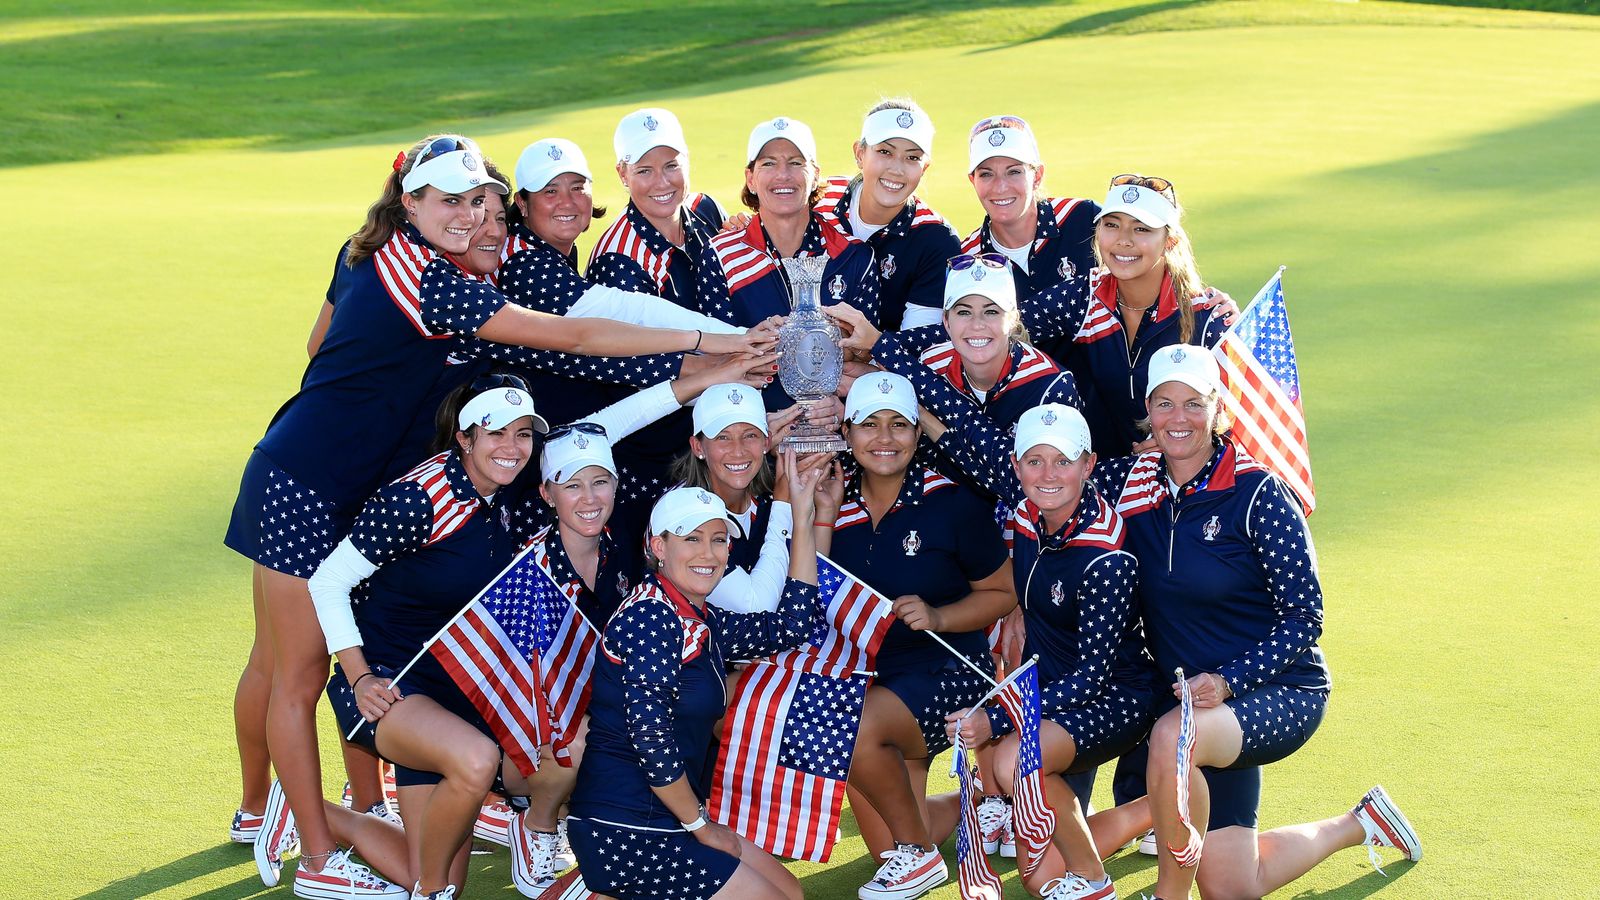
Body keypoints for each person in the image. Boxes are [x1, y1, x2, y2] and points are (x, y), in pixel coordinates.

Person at [225, 133, 774, 895]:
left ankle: (306, 809)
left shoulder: (379, 253)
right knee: (297, 671)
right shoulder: (434, 281)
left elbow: (323, 347)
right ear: (410, 202)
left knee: (308, 653)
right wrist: (716, 338)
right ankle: (314, 855)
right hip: (307, 481)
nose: (473, 216)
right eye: (453, 201)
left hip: (353, 474)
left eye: (481, 201)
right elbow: (574, 334)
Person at [1091, 346, 1421, 900]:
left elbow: (1304, 617)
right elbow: (1046, 487)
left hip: (1278, 688)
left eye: (1193, 404)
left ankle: (1166, 896)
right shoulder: (1130, 484)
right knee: (1232, 891)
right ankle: (1361, 822)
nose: (1178, 418)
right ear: (1148, 410)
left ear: (1217, 407)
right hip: (1198, 702)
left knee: (1176, 737)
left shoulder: (1259, 493)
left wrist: (1227, 683)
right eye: (1165, 403)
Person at [501, 356, 776, 896]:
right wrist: (703, 369)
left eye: (600, 482)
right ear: (546, 493)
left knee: (697, 696)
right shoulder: (526, 565)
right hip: (542, 728)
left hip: (613, 707)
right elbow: (518, 678)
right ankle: (536, 821)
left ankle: (597, 869)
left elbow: (609, 430)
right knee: (574, 743)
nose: (589, 499)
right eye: (572, 485)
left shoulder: (624, 526)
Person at [308, 375, 557, 899]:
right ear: (465, 438)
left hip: (456, 691)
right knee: (476, 761)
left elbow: (607, 434)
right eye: (496, 434)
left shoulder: (507, 489)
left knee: (433, 867)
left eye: (524, 434)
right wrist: (358, 677)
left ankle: (316, 812)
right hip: (391, 686)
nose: (512, 448)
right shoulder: (419, 498)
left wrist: (705, 376)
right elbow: (328, 580)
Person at [916, 401, 1153, 900]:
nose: (1047, 474)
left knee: (1011, 761)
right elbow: (964, 445)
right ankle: (1157, 807)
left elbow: (1092, 677)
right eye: (1034, 460)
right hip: (1048, 690)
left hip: (1115, 696)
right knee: (1040, 878)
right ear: (1018, 465)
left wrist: (996, 717)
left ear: (1088, 465)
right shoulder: (1028, 512)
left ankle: (1093, 882)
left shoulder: (1106, 557)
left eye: (1063, 461)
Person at [565, 472, 826, 900]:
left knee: (789, 893)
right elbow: (651, 739)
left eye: (719, 540)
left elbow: (793, 624)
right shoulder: (652, 617)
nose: (709, 553)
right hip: (627, 829)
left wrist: (801, 517)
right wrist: (701, 826)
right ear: (658, 547)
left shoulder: (699, 616)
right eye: (692, 539)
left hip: (667, 816)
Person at [812, 372, 1015, 900]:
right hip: (868, 676)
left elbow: (1003, 592)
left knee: (848, 728)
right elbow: (811, 593)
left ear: (917, 433)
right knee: (888, 850)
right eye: (870, 424)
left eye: (899, 424)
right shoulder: (829, 498)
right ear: (847, 432)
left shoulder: (953, 504)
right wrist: (824, 521)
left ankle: (923, 858)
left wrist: (940, 616)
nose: (885, 437)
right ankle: (979, 810)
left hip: (946, 669)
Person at [709, 117, 880, 360]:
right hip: (750, 393)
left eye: (796, 163)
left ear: (815, 176)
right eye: (768, 164)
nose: (783, 175)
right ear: (751, 179)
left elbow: (865, 354)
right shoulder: (721, 253)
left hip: (833, 395)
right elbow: (718, 355)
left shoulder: (853, 254)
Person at [961, 115, 1098, 367]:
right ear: (973, 180)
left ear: (1037, 176)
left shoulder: (1083, 218)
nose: (1000, 187)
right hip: (1025, 400)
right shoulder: (966, 260)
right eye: (986, 174)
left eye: (1014, 172)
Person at [813, 98, 961, 331]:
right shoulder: (818, 200)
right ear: (860, 153)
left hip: (885, 366)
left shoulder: (936, 238)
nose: (897, 169)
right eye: (884, 152)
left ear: (925, 167)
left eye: (912, 157)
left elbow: (917, 340)